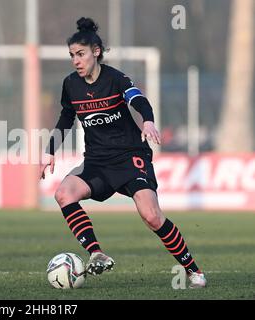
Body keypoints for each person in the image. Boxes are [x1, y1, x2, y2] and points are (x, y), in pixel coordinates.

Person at [40, 17, 206, 288]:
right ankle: (96, 252)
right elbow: (66, 118)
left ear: (96, 52)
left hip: (130, 156)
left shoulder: (116, 78)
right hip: (97, 161)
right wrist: (49, 152)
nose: (76, 61)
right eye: (72, 55)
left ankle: (192, 269)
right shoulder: (71, 85)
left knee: (151, 215)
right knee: (63, 194)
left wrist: (148, 120)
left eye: (80, 54)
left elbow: (138, 99)